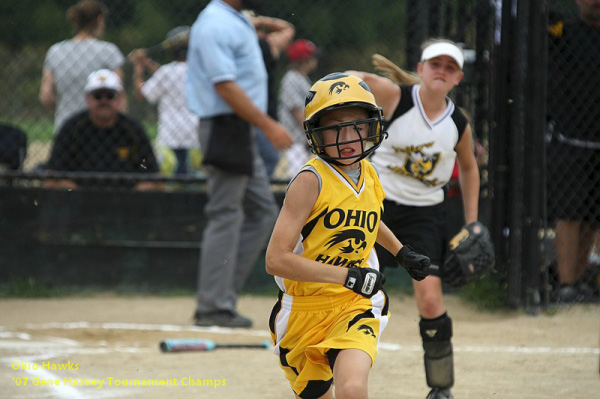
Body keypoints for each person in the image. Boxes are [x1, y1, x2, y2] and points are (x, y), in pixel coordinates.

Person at [265, 72, 431, 399]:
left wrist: (401, 252)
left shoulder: (369, 172)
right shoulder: (310, 180)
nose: (348, 136)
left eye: (357, 125)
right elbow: (275, 259)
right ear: (317, 134)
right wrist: (346, 275)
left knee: (353, 389)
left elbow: (370, 219)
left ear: (372, 128)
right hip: (302, 311)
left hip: (353, 305)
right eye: (336, 127)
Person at [347, 39, 480, 399]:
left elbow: (468, 168)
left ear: (458, 78)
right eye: (434, 64)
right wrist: (342, 83)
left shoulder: (457, 122)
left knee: (431, 300)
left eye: (449, 67)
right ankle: (333, 370)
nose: (441, 71)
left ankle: (441, 387)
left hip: (425, 215)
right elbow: (355, 80)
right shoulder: (397, 98)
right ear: (420, 70)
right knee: (353, 288)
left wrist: (473, 223)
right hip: (378, 207)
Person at [186, 0, 293, 328]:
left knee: (263, 213)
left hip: (239, 129)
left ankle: (222, 298)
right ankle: (213, 305)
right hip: (225, 127)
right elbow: (225, 86)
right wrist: (269, 125)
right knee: (226, 213)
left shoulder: (233, 19)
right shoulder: (215, 23)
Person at [547, 0, 600, 304]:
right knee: (569, 212)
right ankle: (566, 284)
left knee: (593, 218)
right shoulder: (562, 31)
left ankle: (581, 278)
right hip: (570, 138)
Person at [45, 69, 160, 190]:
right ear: (87, 98)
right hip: (80, 201)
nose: (104, 101)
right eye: (98, 96)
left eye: (110, 95)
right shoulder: (72, 128)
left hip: (125, 201)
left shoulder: (133, 130)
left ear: (120, 98)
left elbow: (154, 178)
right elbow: (52, 178)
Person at [39, 0, 126, 134]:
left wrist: (65, 106)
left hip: (66, 127)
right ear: (100, 19)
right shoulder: (109, 51)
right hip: (101, 127)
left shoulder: (55, 51)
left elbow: (46, 96)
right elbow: (119, 97)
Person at [129, 26, 200, 175]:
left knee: (173, 182)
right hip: (197, 136)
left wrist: (138, 66)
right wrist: (147, 61)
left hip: (170, 138)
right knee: (195, 181)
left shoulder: (166, 72)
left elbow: (141, 94)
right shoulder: (200, 70)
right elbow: (168, 76)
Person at [249, 12, 296, 178]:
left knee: (263, 157)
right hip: (262, 111)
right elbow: (288, 28)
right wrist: (262, 21)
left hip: (246, 109)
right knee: (269, 157)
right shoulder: (267, 44)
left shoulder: (236, 45)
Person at [278, 39, 319, 179]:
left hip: (300, 138)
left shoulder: (303, 79)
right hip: (292, 140)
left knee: (303, 173)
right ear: (304, 60)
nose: (315, 60)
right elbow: (296, 111)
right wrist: (310, 134)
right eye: (312, 57)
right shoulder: (291, 79)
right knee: (294, 176)